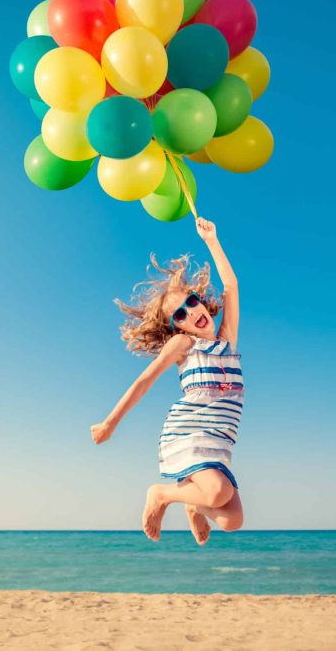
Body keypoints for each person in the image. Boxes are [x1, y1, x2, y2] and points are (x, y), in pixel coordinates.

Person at [91, 217, 243, 545]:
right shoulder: (184, 346)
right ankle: (160, 494)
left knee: (232, 520)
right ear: (179, 327)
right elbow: (144, 382)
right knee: (218, 490)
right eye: (180, 315)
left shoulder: (227, 341)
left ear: (200, 300)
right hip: (186, 434)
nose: (191, 312)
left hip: (218, 440)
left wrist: (212, 241)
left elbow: (230, 287)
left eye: (191, 302)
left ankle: (192, 505)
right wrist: (109, 423)